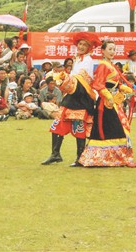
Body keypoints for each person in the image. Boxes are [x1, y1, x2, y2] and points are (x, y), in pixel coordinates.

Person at [42, 33, 98, 166]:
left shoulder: (88, 60)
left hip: (82, 96)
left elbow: (82, 79)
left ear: (89, 48)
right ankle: (55, 153)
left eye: (85, 45)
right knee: (58, 123)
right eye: (80, 44)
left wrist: (66, 79)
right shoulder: (77, 59)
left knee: (79, 127)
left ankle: (80, 157)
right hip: (72, 96)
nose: (81, 47)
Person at [78, 40, 136, 168]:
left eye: (114, 49)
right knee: (115, 128)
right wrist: (109, 96)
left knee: (122, 125)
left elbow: (116, 84)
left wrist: (129, 90)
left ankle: (120, 156)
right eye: (110, 49)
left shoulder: (111, 65)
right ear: (103, 51)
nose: (112, 52)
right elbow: (98, 84)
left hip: (114, 101)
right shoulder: (103, 66)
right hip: (106, 103)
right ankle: (112, 157)